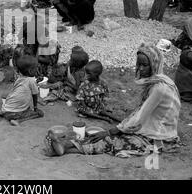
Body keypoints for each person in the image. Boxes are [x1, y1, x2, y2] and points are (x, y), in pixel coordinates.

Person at [44, 44, 181, 157]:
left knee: (113, 142)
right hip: (151, 125)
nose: (139, 68)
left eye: (144, 65)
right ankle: (66, 145)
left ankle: (66, 149)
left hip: (160, 136)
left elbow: (139, 117)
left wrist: (113, 130)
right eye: (138, 64)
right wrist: (120, 127)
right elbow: (141, 112)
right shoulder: (159, 80)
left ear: (154, 64)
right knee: (105, 135)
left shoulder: (159, 88)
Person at [0, 55, 44, 126]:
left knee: (23, 105)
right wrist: (35, 108)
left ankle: (3, 112)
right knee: (40, 113)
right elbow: (35, 95)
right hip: (15, 114)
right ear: (30, 71)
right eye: (35, 68)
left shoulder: (19, 78)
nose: (37, 70)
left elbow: (20, 87)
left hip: (6, 108)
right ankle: (18, 121)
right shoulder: (31, 81)